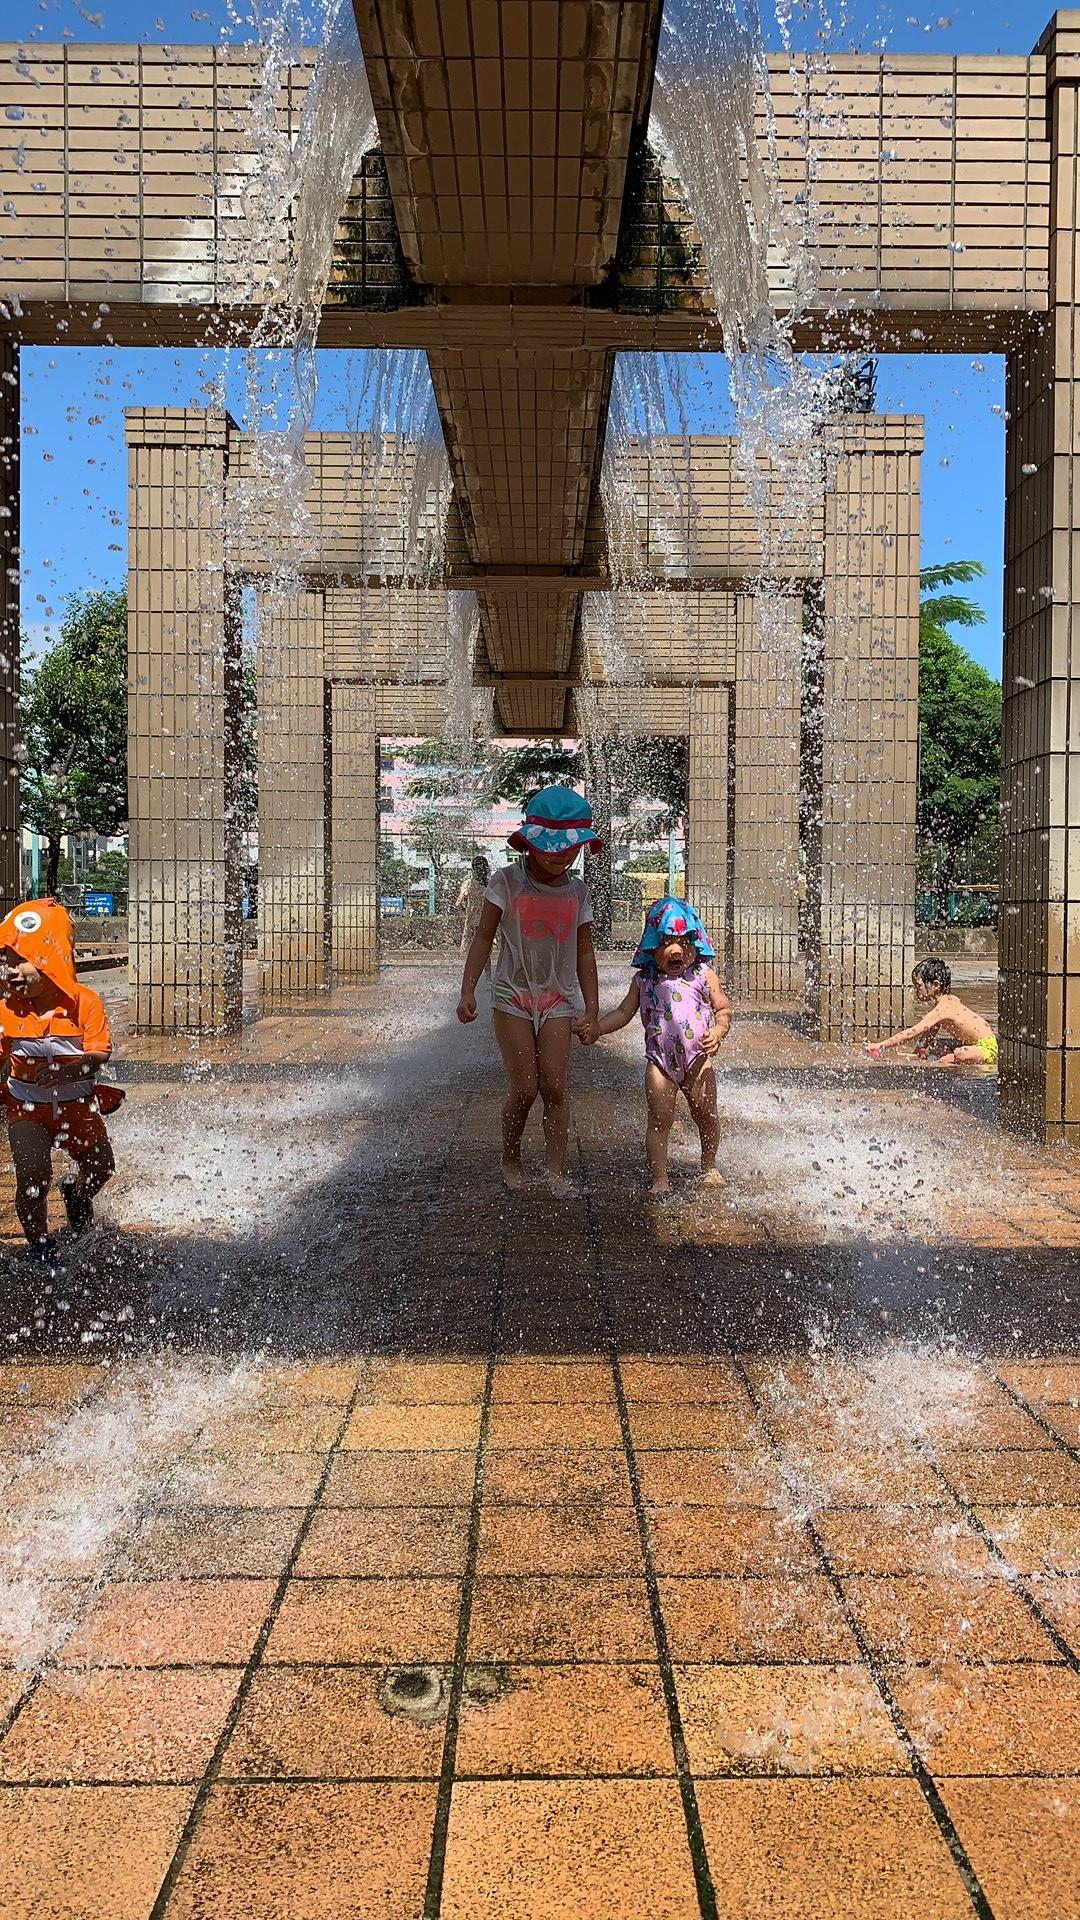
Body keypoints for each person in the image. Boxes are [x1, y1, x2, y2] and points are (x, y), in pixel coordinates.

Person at [457, 786, 600, 1195]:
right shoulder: (507, 882)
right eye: (552, 849)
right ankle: (511, 1156)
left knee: (554, 1086)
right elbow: (483, 938)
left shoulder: (577, 891)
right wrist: (468, 990)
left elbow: (585, 952)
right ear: (530, 843)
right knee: (524, 1088)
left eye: (570, 850)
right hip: (512, 995)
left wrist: (592, 1010)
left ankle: (556, 1171)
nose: (562, 857)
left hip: (557, 998)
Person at [583, 896, 732, 1198]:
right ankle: (660, 1178)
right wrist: (598, 1028)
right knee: (659, 1120)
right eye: (666, 943)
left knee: (706, 1116)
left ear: (696, 943)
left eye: (683, 942)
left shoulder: (704, 975)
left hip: (698, 1060)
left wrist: (718, 1031)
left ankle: (709, 1165)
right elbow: (623, 1013)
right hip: (660, 1063)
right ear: (652, 946)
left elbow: (723, 1009)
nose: (675, 950)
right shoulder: (644, 980)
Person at [0, 898, 122, 1264]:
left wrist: (69, 1072)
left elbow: (99, 1055)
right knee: (33, 1177)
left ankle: (77, 1193)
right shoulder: (6, 1009)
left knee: (102, 1167)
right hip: (27, 1108)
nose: (11, 972)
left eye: (19, 961)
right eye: (6, 962)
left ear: (49, 958)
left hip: (78, 1106)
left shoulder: (84, 1002)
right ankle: (39, 1245)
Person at [862, 955, 998, 1067]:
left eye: (918, 986)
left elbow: (911, 1032)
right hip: (978, 1044)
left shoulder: (942, 1009)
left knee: (957, 1055)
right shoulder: (951, 1000)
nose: (916, 991)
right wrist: (919, 1050)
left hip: (985, 1049)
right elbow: (930, 1031)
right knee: (936, 1046)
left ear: (936, 985)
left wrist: (880, 1045)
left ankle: (951, 1063)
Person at [455, 854, 491, 964]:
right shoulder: (490, 884)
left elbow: (458, 903)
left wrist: (467, 910)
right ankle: (488, 974)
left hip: (472, 920)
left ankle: (471, 973)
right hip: (486, 921)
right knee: (486, 951)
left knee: (472, 950)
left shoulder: (469, 883)